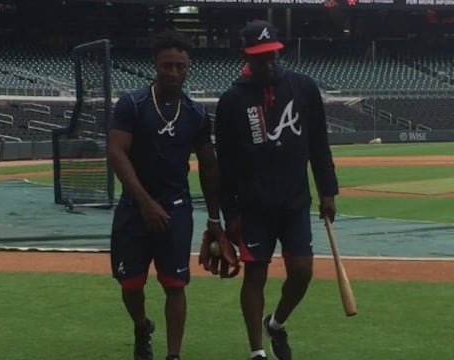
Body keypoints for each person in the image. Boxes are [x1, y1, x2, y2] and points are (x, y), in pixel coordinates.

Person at [215, 20, 340, 360]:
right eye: (260, 57)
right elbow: (224, 165)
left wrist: (328, 191)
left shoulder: (303, 88)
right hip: (253, 206)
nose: (268, 62)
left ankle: (277, 323)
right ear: (246, 57)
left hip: (294, 201)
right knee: (255, 275)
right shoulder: (231, 101)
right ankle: (257, 351)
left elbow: (319, 144)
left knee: (302, 272)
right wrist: (230, 214)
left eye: (272, 55)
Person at [107, 30, 232, 360]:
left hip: (176, 208)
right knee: (131, 283)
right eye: (167, 66)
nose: (173, 73)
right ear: (155, 65)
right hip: (135, 207)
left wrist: (215, 218)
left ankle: (173, 355)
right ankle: (140, 326)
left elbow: (208, 165)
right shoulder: (132, 104)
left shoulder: (196, 114)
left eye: (180, 66)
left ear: (188, 67)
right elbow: (117, 153)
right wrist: (146, 202)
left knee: (175, 285)